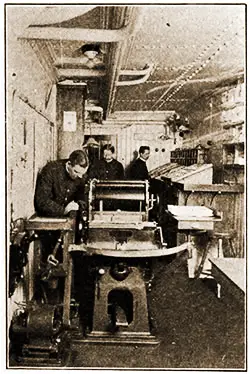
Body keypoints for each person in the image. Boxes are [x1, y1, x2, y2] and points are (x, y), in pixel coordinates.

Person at [34, 149, 89, 217]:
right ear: (69, 164)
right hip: (49, 218)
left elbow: (81, 195)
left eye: (82, 174)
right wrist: (63, 211)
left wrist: (81, 203)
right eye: (76, 172)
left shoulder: (81, 175)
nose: (80, 177)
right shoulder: (51, 170)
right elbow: (42, 201)